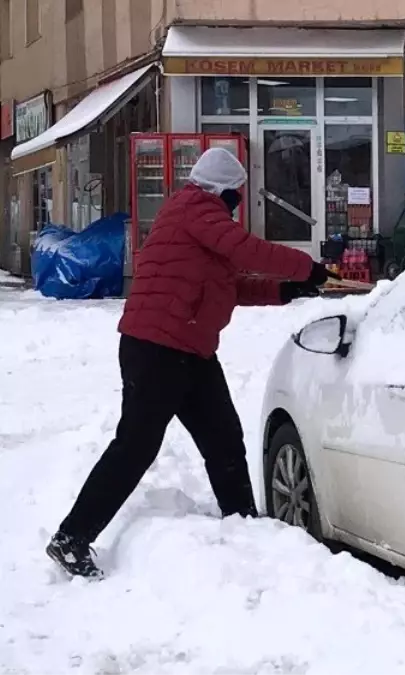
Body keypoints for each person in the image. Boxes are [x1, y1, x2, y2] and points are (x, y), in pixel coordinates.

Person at [45, 147, 336, 579]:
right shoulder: (196, 209)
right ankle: (72, 538)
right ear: (221, 190)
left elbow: (229, 285)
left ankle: (243, 527)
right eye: (236, 194)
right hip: (158, 348)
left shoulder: (196, 222)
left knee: (223, 437)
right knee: (136, 445)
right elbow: (248, 252)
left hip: (188, 348)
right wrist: (306, 268)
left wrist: (286, 291)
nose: (237, 202)